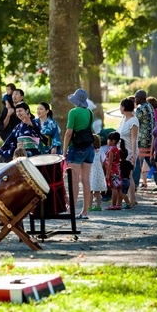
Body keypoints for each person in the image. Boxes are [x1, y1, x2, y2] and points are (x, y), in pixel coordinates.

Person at [62, 88, 94, 220]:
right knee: (85, 180)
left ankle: (73, 211)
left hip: (76, 148)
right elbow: (90, 130)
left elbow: (69, 132)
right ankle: (85, 211)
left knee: (74, 181)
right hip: (88, 148)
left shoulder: (73, 112)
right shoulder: (89, 112)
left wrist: (64, 150)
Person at [132, 90, 157, 192]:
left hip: (142, 139)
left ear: (141, 98)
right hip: (150, 139)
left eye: (136, 97)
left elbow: (134, 120)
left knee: (138, 162)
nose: (135, 99)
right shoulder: (150, 106)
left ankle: (134, 184)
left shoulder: (141, 108)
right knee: (150, 160)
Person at [117, 98, 139, 207]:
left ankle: (132, 199)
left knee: (128, 175)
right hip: (122, 151)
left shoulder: (133, 121)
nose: (120, 108)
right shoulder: (123, 119)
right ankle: (130, 199)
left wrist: (134, 155)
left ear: (124, 107)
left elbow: (134, 139)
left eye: (121, 106)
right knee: (125, 175)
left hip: (130, 151)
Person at [104, 132, 125, 211]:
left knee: (114, 188)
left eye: (108, 139)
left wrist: (108, 173)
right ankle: (119, 204)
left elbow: (110, 164)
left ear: (113, 141)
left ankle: (113, 204)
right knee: (119, 188)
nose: (107, 141)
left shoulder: (111, 151)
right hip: (118, 171)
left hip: (112, 172)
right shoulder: (117, 149)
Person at [89, 134, 107, 211]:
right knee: (97, 191)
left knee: (90, 190)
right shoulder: (99, 151)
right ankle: (98, 206)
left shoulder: (89, 151)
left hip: (91, 172)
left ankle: (89, 206)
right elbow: (102, 162)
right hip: (98, 172)